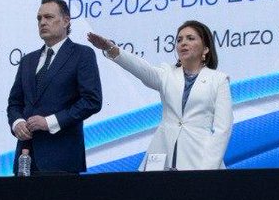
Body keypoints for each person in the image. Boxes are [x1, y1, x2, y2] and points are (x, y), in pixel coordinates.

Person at [87, 21, 232, 170]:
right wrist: (110, 48)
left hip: (200, 162)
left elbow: (223, 129)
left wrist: (208, 168)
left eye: (190, 38)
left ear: (206, 48)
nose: (183, 43)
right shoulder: (167, 74)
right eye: (179, 40)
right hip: (162, 159)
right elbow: (141, 68)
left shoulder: (219, 80)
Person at [7, 0, 102, 174]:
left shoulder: (82, 54)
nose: (42, 22)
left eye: (49, 17)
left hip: (62, 159)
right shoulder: (28, 60)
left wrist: (50, 122)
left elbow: (91, 101)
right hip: (25, 158)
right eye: (39, 18)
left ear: (66, 21)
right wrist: (17, 123)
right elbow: (14, 103)